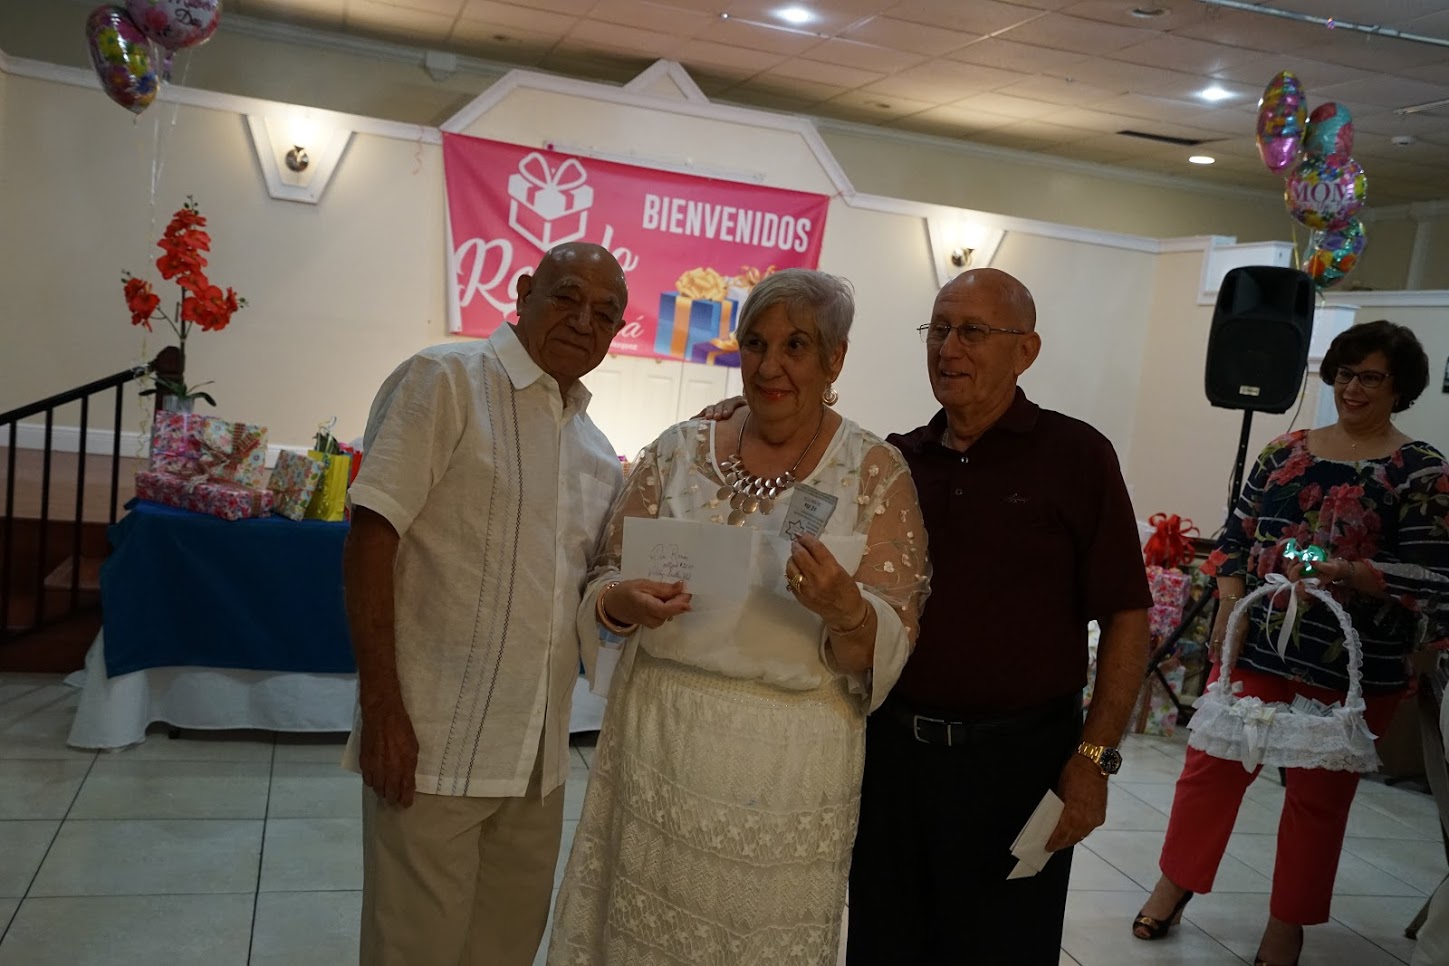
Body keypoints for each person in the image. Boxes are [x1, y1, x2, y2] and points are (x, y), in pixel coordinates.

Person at [700, 267, 1153, 964]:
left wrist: (1092, 761)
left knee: (1002, 951)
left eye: (971, 331)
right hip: (893, 762)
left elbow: (1126, 616)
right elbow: (793, 490)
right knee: (883, 944)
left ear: (1025, 350)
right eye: (938, 329)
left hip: (1019, 766)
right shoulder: (894, 461)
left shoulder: (1076, 457)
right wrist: (741, 418)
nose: (948, 348)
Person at [546, 269, 931, 966]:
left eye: (795, 346)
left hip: (790, 766)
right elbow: (605, 574)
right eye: (755, 343)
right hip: (659, 741)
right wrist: (620, 603)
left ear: (835, 359)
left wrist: (847, 610)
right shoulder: (679, 449)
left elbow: (887, 643)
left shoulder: (875, 473)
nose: (770, 365)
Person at [342, 242, 631, 966]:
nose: (584, 321)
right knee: (412, 950)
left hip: (536, 759)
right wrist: (381, 709)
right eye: (566, 296)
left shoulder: (596, 450)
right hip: (432, 743)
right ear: (524, 292)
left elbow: (587, 589)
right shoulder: (445, 381)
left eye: (605, 313)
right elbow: (371, 539)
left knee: (505, 949)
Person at [1136, 320, 1449, 966]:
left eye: (1370, 377)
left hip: (1352, 663)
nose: (1352, 388)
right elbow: (1234, 539)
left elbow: (1433, 575)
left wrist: (1349, 573)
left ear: (1400, 388)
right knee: (1211, 769)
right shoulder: (1284, 452)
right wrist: (1228, 605)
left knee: (1318, 799)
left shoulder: (1421, 471)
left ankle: (1288, 924)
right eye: (1344, 374)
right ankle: (1174, 884)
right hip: (1258, 644)